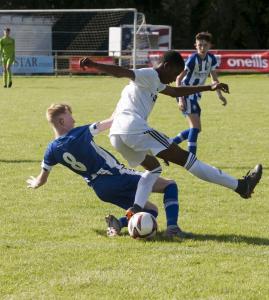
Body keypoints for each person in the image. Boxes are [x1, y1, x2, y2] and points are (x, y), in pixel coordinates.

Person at [79, 51, 262, 219]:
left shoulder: (155, 81)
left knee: (154, 169)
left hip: (117, 136)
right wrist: (95, 64)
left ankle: (135, 208)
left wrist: (209, 87)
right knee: (188, 160)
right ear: (166, 66)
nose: (175, 79)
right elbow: (122, 72)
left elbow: (175, 91)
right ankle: (241, 186)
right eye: (175, 74)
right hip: (132, 127)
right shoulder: (148, 74)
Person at [26, 103, 190, 239]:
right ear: (61, 121)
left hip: (101, 189)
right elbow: (112, 121)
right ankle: (173, 229)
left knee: (150, 211)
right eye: (70, 116)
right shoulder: (78, 134)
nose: (74, 120)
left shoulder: (51, 150)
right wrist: (124, 104)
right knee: (170, 185)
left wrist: (35, 183)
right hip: (117, 177)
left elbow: (42, 179)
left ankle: (118, 223)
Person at [173, 32, 227, 154]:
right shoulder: (193, 59)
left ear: (210, 46)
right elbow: (178, 79)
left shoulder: (211, 59)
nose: (202, 48)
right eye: (199, 45)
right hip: (185, 94)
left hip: (195, 96)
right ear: (195, 46)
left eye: (205, 45)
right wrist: (180, 99)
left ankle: (168, 144)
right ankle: (191, 157)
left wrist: (220, 95)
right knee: (195, 127)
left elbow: (214, 80)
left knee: (197, 129)